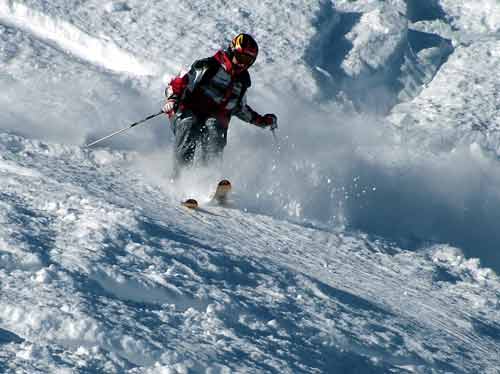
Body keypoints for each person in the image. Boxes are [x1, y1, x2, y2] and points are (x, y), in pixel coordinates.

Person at [163, 33, 278, 177]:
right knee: (189, 124)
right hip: (186, 110)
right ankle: (180, 176)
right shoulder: (208, 66)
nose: (242, 64)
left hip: (212, 117)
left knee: (215, 128)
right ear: (231, 51)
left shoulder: (241, 83)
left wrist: (262, 121)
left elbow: (240, 108)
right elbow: (179, 82)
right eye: (240, 57)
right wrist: (172, 99)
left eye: (247, 60)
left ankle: (208, 177)